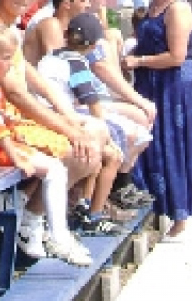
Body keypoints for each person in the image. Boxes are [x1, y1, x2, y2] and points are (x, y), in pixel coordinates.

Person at [0, 19, 92, 266]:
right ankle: (58, 237)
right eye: (6, 57)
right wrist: (17, 156)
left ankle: (29, 215)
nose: (10, 64)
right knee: (55, 171)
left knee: (56, 164)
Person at [122, 0, 192, 239]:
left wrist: (139, 60)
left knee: (172, 143)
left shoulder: (177, 9)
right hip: (150, 83)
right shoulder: (152, 6)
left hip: (172, 87)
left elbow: (177, 55)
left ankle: (179, 211)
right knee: (151, 142)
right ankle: (153, 205)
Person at [37, 13, 148, 235]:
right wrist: (109, 138)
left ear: (66, 35)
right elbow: (93, 104)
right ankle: (93, 214)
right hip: (60, 121)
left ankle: (84, 203)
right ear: (95, 44)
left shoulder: (49, 58)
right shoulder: (77, 64)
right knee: (113, 155)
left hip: (47, 117)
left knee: (99, 152)